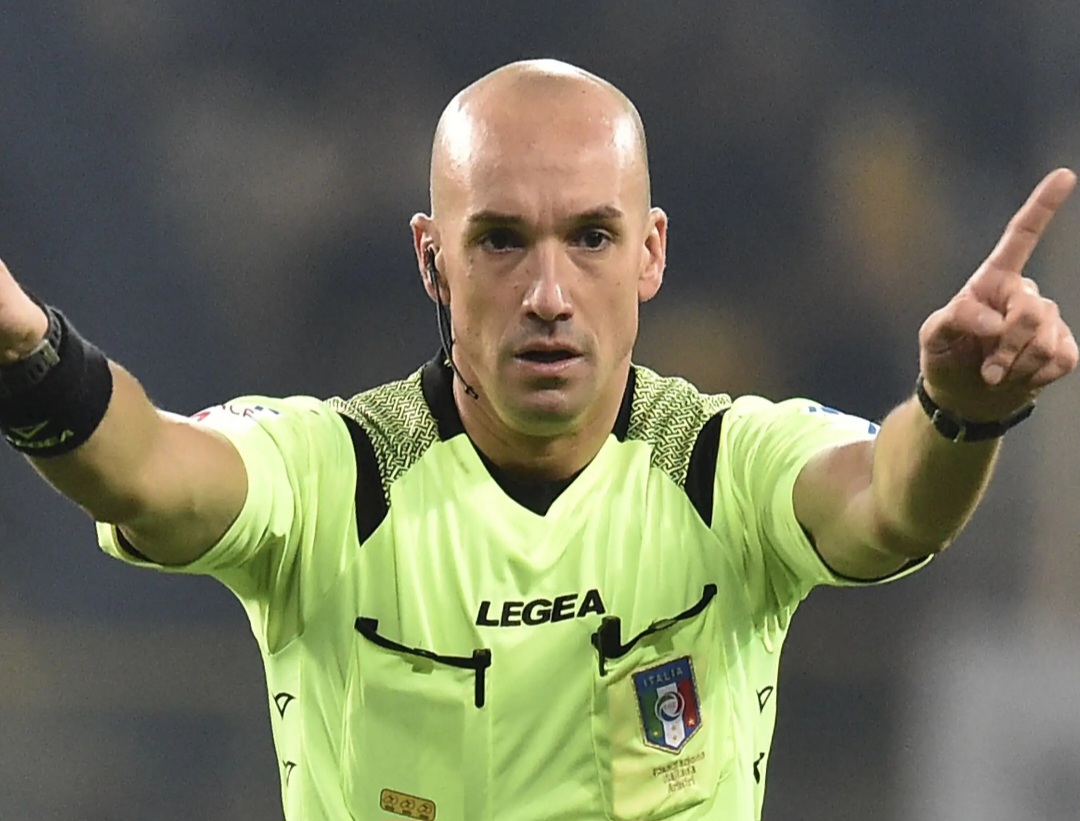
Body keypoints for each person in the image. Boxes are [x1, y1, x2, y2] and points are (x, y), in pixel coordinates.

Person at [0, 58, 1075, 821]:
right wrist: (26, 348)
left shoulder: (724, 468)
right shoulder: (337, 474)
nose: (549, 293)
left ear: (651, 252)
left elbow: (893, 504)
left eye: (591, 237)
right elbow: (147, 471)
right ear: (433, 260)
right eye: (502, 241)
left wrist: (961, 412)